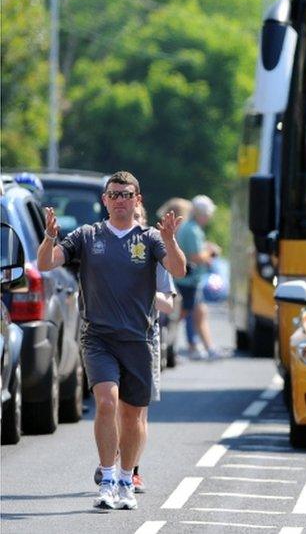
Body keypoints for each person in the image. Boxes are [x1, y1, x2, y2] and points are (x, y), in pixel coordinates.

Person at [36, 171, 186, 510]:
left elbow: (178, 271)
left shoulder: (150, 239)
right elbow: (46, 263)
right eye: (114, 194)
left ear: (137, 200)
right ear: (105, 200)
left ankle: (125, 479)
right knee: (106, 402)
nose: (120, 199)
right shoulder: (87, 236)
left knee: (132, 416)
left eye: (126, 194)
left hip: (138, 340)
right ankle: (106, 478)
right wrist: (48, 237)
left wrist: (172, 240)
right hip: (98, 337)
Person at [93, 204, 177, 493]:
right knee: (111, 403)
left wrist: (142, 291)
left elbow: (169, 302)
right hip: (108, 335)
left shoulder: (154, 249)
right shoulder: (104, 248)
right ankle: (111, 462)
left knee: (138, 413)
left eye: (139, 218)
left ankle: (132, 470)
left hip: (145, 338)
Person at [176, 195, 221, 361]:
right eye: (207, 214)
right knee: (181, 313)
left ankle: (203, 347)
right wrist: (211, 252)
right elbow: (196, 256)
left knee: (198, 313)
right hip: (188, 280)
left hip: (190, 279)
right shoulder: (192, 229)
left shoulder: (191, 227)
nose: (209, 218)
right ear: (201, 214)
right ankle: (171, 345)